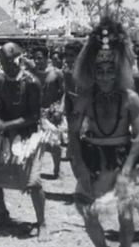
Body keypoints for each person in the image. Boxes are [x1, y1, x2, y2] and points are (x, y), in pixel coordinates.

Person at [69, 16, 139, 247]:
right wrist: (78, 166)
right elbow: (73, 134)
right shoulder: (84, 99)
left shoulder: (131, 99)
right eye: (100, 70)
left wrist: (126, 172)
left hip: (122, 159)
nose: (106, 76)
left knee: (126, 217)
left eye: (111, 70)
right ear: (92, 71)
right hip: (93, 159)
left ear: (119, 70)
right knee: (88, 213)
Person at [0, 42, 47, 239]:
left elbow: (33, 116)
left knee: (34, 182)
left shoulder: (31, 83)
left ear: (18, 59)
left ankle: (42, 223)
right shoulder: (3, 80)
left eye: (7, 61)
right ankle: (3, 214)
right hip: (7, 135)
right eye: (2, 61)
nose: (5, 65)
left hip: (29, 136)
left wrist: (5, 126)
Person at [31, 46, 65, 178]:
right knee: (34, 145)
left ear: (47, 57)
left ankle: (56, 169)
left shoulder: (56, 73)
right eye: (35, 58)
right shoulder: (30, 73)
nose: (37, 61)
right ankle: (33, 173)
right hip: (35, 113)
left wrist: (60, 110)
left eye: (40, 58)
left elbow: (64, 93)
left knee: (54, 145)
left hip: (51, 113)